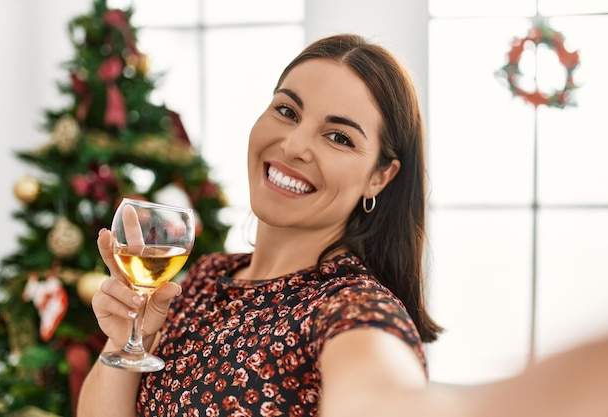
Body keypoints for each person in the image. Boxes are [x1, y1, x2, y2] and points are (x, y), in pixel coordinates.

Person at [77, 33, 608, 417]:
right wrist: (127, 342)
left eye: (339, 137)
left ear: (380, 176)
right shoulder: (204, 279)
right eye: (287, 111)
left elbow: (379, 395)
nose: (294, 145)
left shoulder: (355, 308)